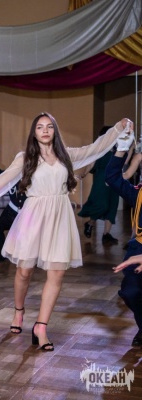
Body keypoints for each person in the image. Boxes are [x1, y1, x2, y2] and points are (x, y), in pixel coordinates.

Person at [0, 114, 133, 351]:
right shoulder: (25, 158)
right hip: (33, 217)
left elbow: (96, 148)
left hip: (60, 217)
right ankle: (19, 311)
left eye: (49, 126)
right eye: (40, 127)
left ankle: (41, 327)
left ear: (55, 131)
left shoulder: (66, 155)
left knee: (57, 274)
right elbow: (2, 180)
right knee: (24, 271)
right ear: (34, 132)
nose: (45, 130)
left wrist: (117, 128)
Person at [106, 131, 142, 347]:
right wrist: (121, 150)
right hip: (138, 248)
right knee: (130, 292)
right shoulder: (138, 194)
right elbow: (112, 178)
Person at [0, 138, 27, 264]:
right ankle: (3, 254)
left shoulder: (34, 178)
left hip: (27, 214)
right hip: (11, 212)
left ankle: (29, 258)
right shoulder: (10, 176)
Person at [78, 127, 120, 245]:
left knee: (112, 206)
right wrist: (84, 174)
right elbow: (91, 163)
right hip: (102, 179)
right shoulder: (99, 148)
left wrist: (131, 147)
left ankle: (106, 234)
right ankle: (90, 223)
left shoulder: (117, 148)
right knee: (102, 205)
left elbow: (124, 162)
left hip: (115, 179)